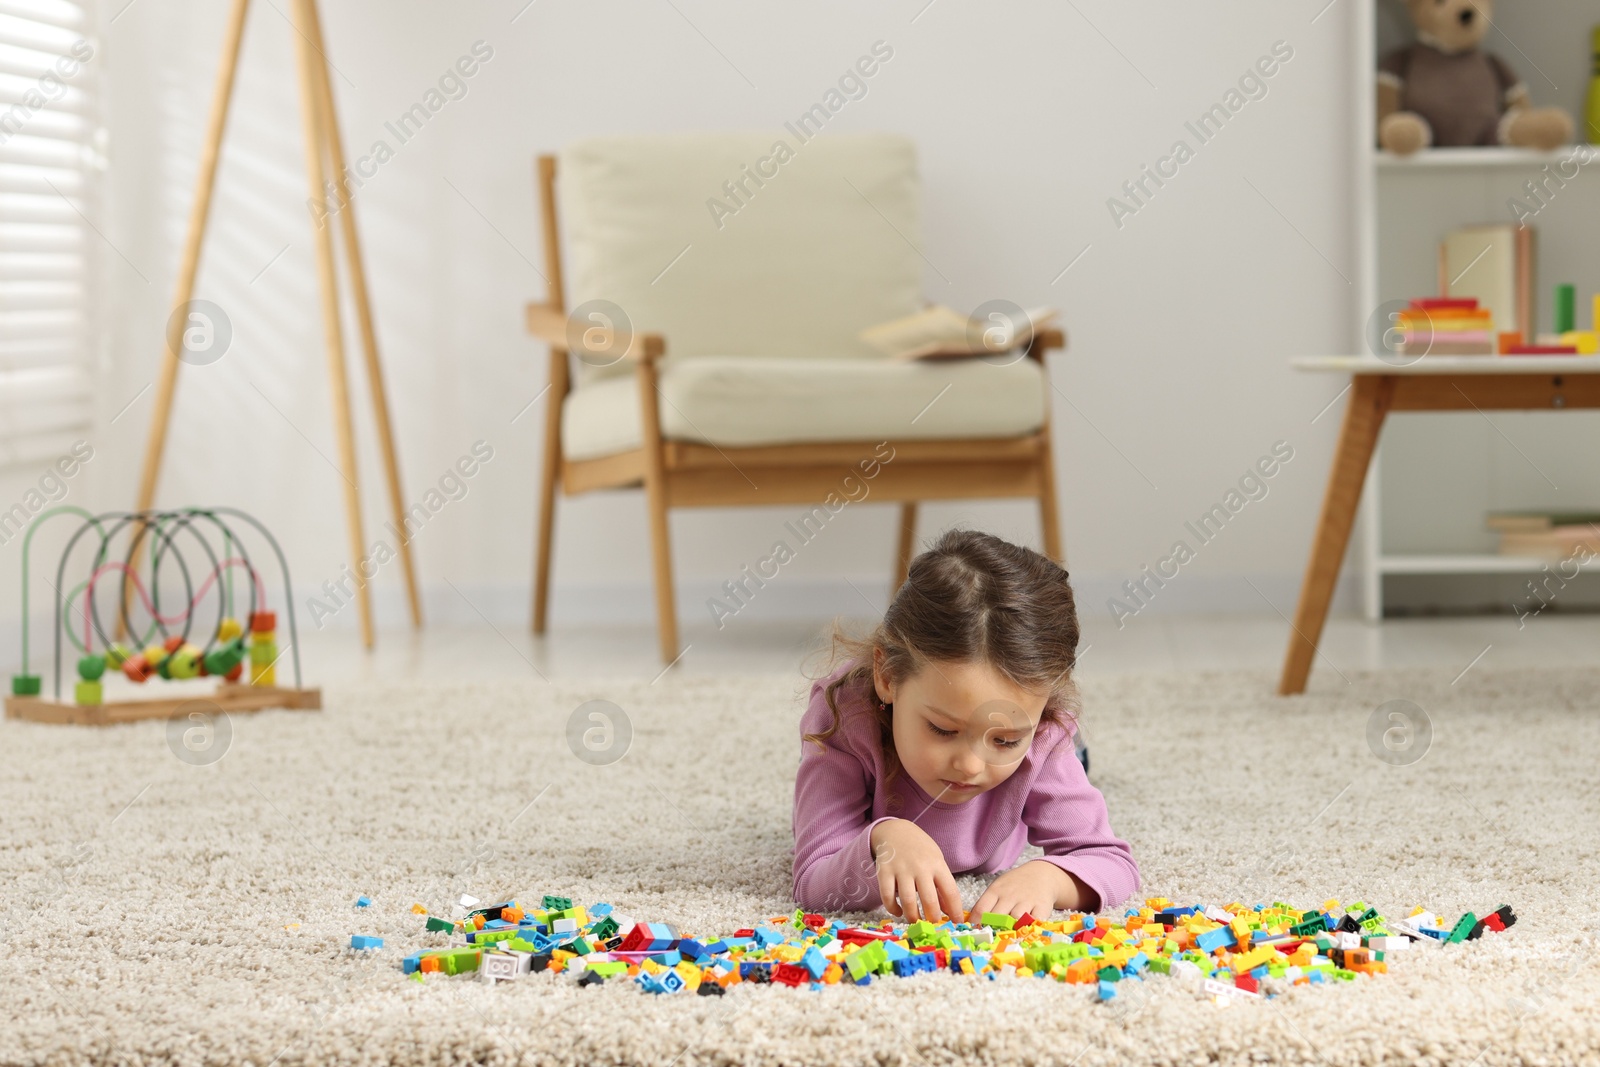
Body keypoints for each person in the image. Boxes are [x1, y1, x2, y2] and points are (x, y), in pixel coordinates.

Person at [792, 529, 1139, 923]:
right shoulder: (844, 714)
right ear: (887, 677)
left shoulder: (1043, 733)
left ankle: (1068, 751)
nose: (971, 766)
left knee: (1065, 762)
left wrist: (1050, 877)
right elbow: (811, 879)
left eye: (1004, 740)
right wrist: (883, 839)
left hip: (1047, 753)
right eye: (943, 729)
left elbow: (1111, 861)